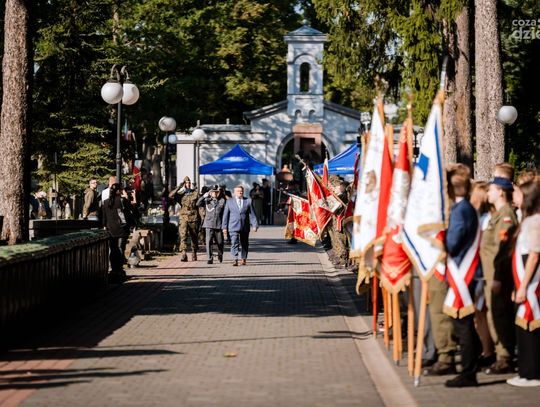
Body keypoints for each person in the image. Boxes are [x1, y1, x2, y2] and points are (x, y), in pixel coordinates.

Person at [443, 164, 482, 387]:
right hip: (464, 272)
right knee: (463, 323)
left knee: (462, 323)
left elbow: (452, 243)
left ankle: (469, 372)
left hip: (463, 273)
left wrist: (438, 240)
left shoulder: (460, 210)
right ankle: (473, 362)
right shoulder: (465, 207)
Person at [481, 175, 518, 374]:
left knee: (500, 315)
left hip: (498, 276)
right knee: (494, 314)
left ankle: (505, 357)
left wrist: (497, 278)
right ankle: (500, 354)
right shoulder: (497, 215)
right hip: (489, 275)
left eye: (491, 189)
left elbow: (503, 251)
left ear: (501, 192)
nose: (488, 193)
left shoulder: (506, 216)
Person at [507, 179, 540, 387]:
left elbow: (534, 255)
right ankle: (525, 370)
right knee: (522, 327)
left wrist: (523, 286)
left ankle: (532, 373)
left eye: (518, 193)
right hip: (522, 278)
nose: (514, 196)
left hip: (531, 281)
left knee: (530, 326)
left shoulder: (535, 221)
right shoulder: (527, 220)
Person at [102, 183, 136, 283]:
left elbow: (104, 217)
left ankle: (113, 269)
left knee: (113, 249)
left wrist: (105, 226)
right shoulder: (122, 200)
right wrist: (127, 197)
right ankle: (119, 269)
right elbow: (132, 209)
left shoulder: (106, 202)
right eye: (121, 190)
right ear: (118, 191)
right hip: (122, 228)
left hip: (110, 229)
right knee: (120, 248)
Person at [222, 185, 258, 266]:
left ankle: (243, 258)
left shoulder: (248, 201)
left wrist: (254, 225)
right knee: (234, 242)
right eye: (238, 191)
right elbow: (225, 215)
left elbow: (252, 214)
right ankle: (235, 259)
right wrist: (224, 227)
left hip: (244, 226)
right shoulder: (229, 202)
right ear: (234, 192)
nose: (240, 192)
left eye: (241, 191)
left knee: (244, 243)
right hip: (233, 226)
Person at [170, 176, 200, 262]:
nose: (188, 184)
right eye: (186, 183)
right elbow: (171, 195)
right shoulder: (181, 194)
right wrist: (179, 187)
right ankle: (184, 254)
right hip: (183, 217)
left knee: (194, 236)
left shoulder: (195, 193)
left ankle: (194, 252)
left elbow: (199, 206)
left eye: (189, 183)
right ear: (184, 184)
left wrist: (202, 218)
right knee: (183, 236)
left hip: (193, 217)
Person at [197, 184, 226, 264]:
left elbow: (224, 213)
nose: (215, 193)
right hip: (208, 224)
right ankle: (210, 258)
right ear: (210, 193)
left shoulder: (222, 200)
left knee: (220, 242)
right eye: (213, 192)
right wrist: (203, 196)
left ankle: (220, 254)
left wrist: (224, 225)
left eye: (216, 192)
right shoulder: (206, 200)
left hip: (218, 224)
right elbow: (198, 204)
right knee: (208, 241)